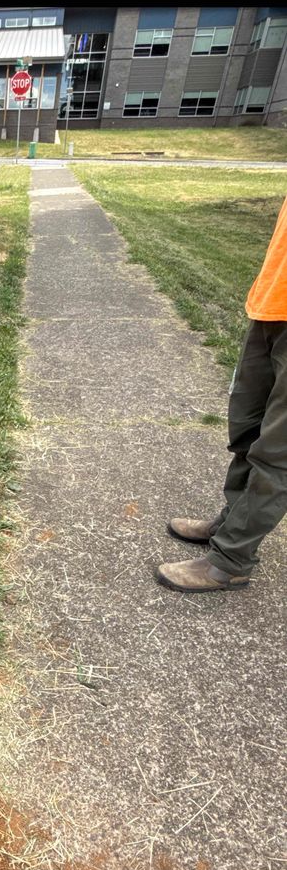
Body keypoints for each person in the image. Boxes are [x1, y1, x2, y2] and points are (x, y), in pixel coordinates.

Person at [157, 193, 287, 593]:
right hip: (272, 303)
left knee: (277, 452)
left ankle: (231, 558)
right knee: (247, 427)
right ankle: (231, 521)